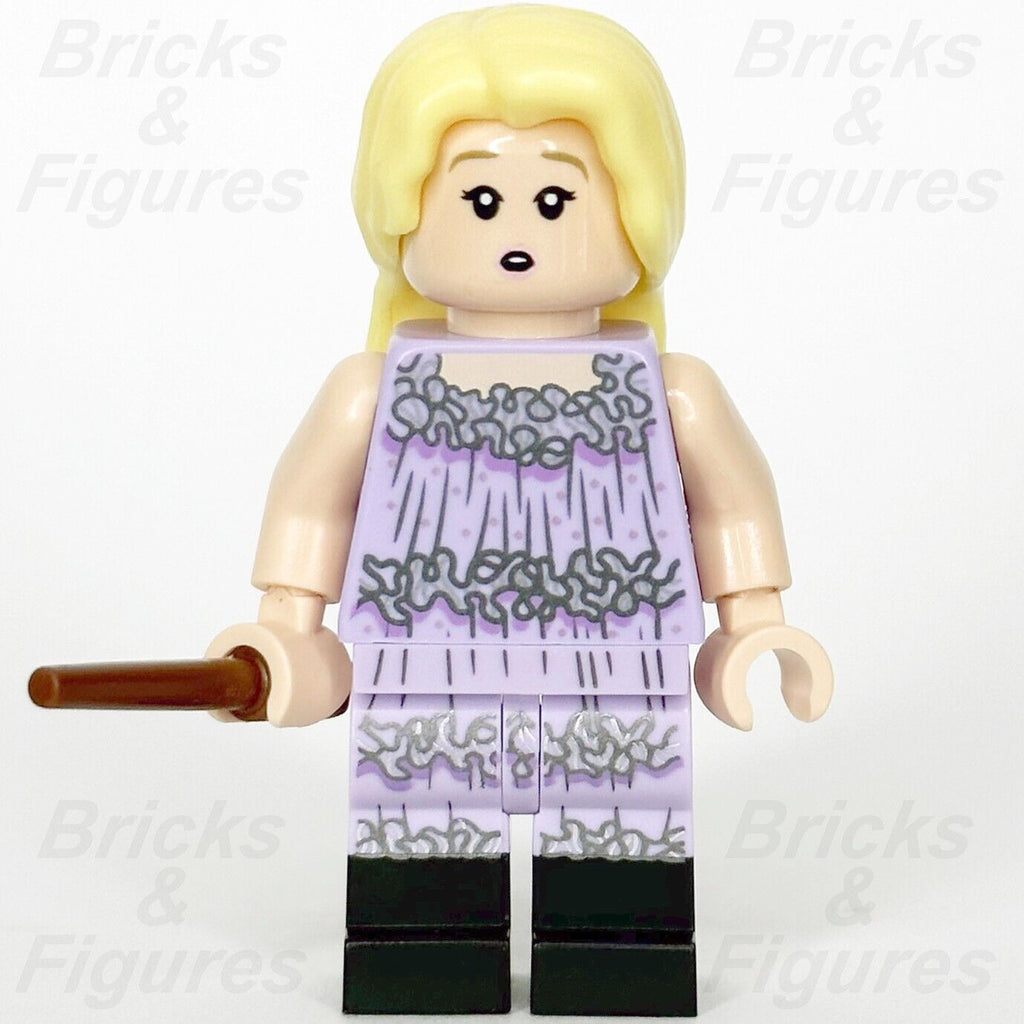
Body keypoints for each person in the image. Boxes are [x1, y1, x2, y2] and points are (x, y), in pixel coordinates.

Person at [207, 5, 833, 1016]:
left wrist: (754, 624)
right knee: (422, 830)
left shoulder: (672, 390)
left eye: (554, 200)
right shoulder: (373, 389)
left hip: (619, 673)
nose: (515, 236)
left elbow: (729, 514)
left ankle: (615, 960)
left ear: (640, 207)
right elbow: (312, 518)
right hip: (423, 672)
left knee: (619, 832)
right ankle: (425, 956)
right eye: (480, 199)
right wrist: (285, 630)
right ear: (401, 210)